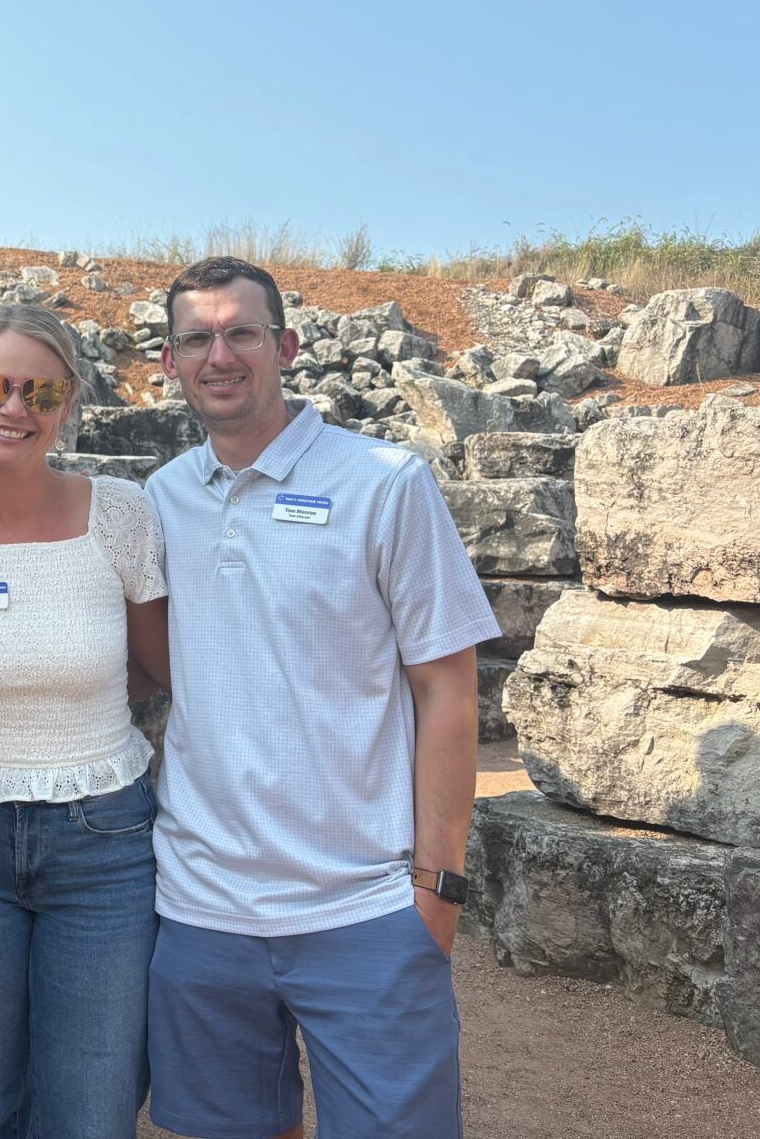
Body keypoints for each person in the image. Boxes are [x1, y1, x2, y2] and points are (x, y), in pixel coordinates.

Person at [142, 256, 498, 1139]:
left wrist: (437, 890)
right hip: (202, 908)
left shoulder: (385, 482)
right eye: (197, 338)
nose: (219, 355)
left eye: (240, 333)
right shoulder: (161, 497)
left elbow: (448, 688)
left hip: (365, 906)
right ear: (170, 360)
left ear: (285, 345)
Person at [0, 304, 170, 1139]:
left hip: (104, 840)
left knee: (90, 1110)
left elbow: (163, 668)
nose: (12, 408)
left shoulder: (121, 514)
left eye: (39, 390)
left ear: (69, 401)